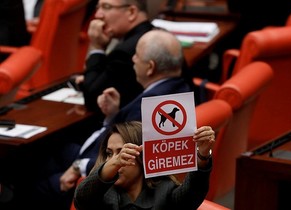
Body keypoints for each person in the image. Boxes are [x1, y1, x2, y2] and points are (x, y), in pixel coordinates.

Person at [1, 29, 191, 210]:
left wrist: (78, 167)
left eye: (137, 56)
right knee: (45, 150)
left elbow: (129, 164)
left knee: (25, 183)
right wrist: (114, 114)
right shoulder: (176, 92)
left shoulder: (151, 108)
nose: (132, 59)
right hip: (95, 150)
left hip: (94, 172)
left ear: (150, 67)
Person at [74, 121, 215, 210]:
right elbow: (81, 200)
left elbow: (193, 194)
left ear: (143, 156)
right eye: (109, 154)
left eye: (123, 153)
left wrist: (202, 156)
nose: (115, 160)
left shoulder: (165, 191)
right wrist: (112, 165)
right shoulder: (101, 192)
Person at [75, 0, 154, 113]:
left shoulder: (126, 52)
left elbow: (93, 101)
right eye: (98, 7)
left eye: (106, 7)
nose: (98, 15)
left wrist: (97, 48)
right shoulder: (153, 34)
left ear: (131, 12)